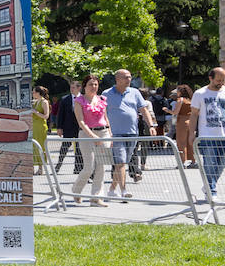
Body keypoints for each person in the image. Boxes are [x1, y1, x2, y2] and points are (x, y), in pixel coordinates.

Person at [190, 67, 225, 201]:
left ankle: (208, 185)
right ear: (210, 78)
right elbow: (194, 115)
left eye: (223, 80)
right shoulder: (200, 93)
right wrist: (192, 133)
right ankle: (211, 190)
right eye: (218, 80)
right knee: (210, 163)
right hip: (207, 136)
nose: (221, 83)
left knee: (223, 163)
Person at [103, 70, 155, 199]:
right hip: (115, 134)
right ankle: (124, 191)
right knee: (120, 163)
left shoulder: (135, 92)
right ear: (117, 79)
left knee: (122, 164)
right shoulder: (106, 94)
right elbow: (103, 113)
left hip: (132, 133)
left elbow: (144, 110)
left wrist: (151, 126)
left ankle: (111, 190)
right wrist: (107, 130)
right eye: (125, 77)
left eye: (130, 77)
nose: (129, 80)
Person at [71, 75, 110, 205]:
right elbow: (80, 121)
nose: (93, 87)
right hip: (86, 134)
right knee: (89, 167)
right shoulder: (79, 100)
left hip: (103, 133)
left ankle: (96, 197)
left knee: (101, 166)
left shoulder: (102, 99)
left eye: (95, 84)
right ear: (84, 86)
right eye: (90, 84)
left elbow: (105, 118)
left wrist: (110, 134)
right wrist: (92, 136)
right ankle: (76, 190)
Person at [53, 79, 85, 174]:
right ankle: (58, 165)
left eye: (73, 87)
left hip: (80, 128)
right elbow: (60, 114)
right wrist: (59, 127)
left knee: (79, 149)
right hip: (68, 128)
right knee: (64, 147)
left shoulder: (84, 99)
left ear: (79, 88)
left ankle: (78, 168)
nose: (71, 89)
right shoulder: (64, 99)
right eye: (71, 87)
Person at [173, 83, 195, 165]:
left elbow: (175, 112)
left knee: (181, 142)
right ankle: (193, 160)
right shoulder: (190, 100)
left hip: (182, 121)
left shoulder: (180, 100)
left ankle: (182, 161)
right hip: (190, 121)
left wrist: (167, 110)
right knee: (190, 142)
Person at [32, 85, 50, 172]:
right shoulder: (35, 102)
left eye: (34, 92)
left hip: (40, 127)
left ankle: (40, 168)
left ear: (39, 93)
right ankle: (34, 167)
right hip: (34, 127)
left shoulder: (44, 102)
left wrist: (36, 112)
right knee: (34, 147)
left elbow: (46, 116)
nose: (33, 94)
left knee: (41, 147)